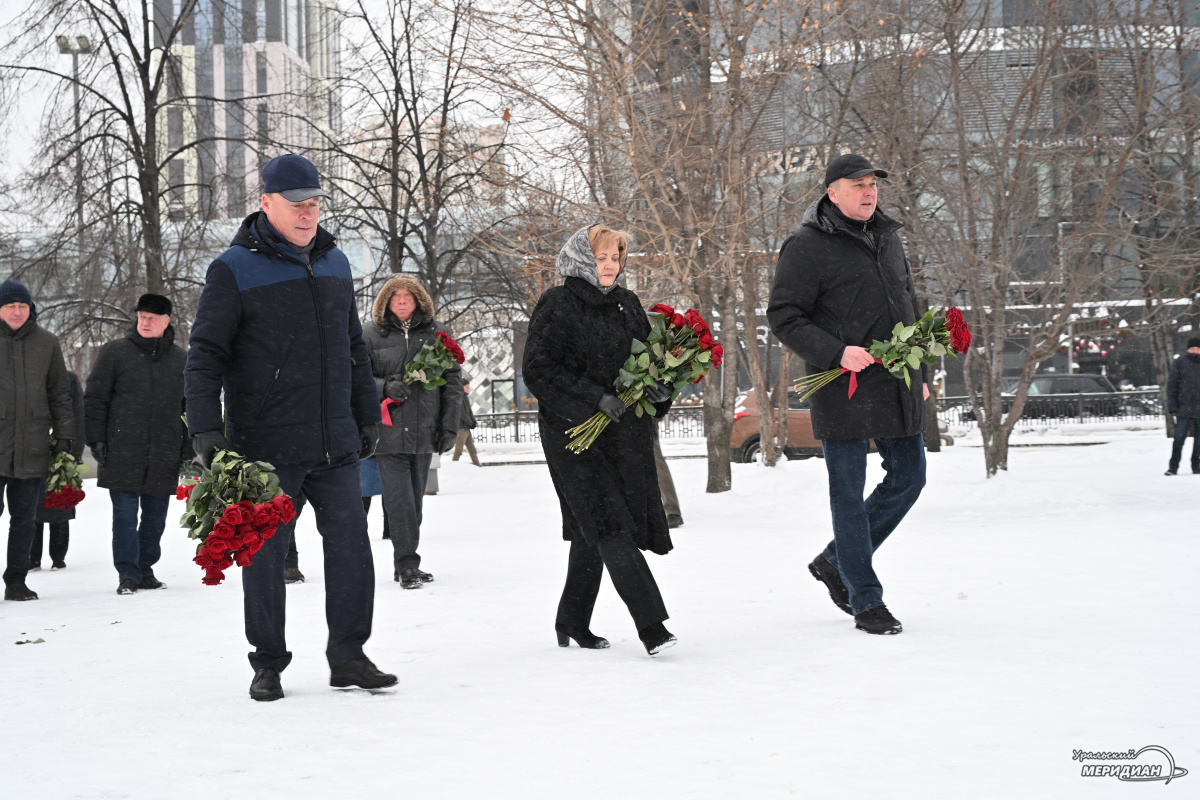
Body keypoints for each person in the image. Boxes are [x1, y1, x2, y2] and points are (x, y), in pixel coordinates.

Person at [185, 153, 394, 701]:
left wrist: (366, 412)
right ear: (266, 204)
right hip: (267, 447)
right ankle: (268, 662)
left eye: (316, 203)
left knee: (351, 547)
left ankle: (349, 655)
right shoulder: (233, 268)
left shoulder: (334, 263)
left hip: (335, 442)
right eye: (297, 204)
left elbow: (352, 346)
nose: (308, 213)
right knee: (266, 557)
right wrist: (206, 428)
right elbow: (205, 354)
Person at [767, 154, 929, 636]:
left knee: (910, 477)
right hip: (843, 384)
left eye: (873, 184)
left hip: (897, 379)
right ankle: (866, 598)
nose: (869, 191)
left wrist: (923, 365)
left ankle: (836, 560)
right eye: (858, 184)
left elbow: (909, 304)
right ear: (832, 192)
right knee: (848, 496)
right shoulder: (805, 246)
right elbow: (785, 316)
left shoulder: (889, 238)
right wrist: (837, 352)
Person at [522, 224, 678, 656]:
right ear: (580, 259)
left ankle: (571, 619)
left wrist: (659, 390)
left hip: (623, 435)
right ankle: (652, 626)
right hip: (573, 434)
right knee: (610, 525)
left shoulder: (628, 304)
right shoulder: (557, 303)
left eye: (615, 257)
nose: (609, 266)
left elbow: (647, 362)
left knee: (592, 528)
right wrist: (594, 397)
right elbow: (538, 369)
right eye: (600, 257)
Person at [85, 294, 190, 595]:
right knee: (125, 517)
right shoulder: (114, 352)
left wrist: (187, 447)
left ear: (166, 322)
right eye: (142, 316)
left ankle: (146, 569)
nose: (145, 322)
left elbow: (188, 408)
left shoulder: (181, 360)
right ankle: (127, 574)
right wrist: (97, 439)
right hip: (122, 450)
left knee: (155, 519)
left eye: (152, 318)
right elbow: (95, 398)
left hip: (164, 452)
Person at [364, 275, 461, 590]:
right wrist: (383, 387)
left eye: (408, 296)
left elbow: (452, 384)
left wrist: (448, 426)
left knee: (415, 502)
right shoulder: (369, 335)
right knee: (399, 500)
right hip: (387, 433)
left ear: (419, 301)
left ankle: (405, 560)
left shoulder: (436, 335)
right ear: (386, 303)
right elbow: (355, 379)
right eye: (395, 296)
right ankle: (407, 565)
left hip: (424, 430)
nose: (402, 301)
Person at [1, 279, 75, 601]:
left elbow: (60, 393)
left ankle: (16, 580)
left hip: (32, 445)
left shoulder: (47, 342)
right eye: (10, 305)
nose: (17, 311)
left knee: (24, 520)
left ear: (31, 308)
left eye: (23, 305)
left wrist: (64, 436)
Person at [30, 371, 85, 571]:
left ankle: (58, 557)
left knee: (60, 501)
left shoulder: (68, 379)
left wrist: (75, 451)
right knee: (31, 506)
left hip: (63, 450)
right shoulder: (27, 376)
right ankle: (32, 558)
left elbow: (78, 415)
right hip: (31, 450)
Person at [1165, 337, 1200, 476]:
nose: (1195, 351)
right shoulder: (1180, 363)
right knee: (1179, 439)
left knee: (1199, 442)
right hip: (1183, 407)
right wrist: (1173, 405)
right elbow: (1172, 385)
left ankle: (1196, 466)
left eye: (1197, 348)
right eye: (1192, 348)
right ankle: (1173, 467)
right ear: (1187, 349)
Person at [452, 381, 481, 466]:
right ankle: (453, 466)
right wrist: (470, 422)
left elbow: (469, 412)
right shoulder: (459, 397)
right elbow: (462, 413)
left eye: (469, 386)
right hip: (461, 428)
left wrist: (473, 421)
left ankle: (478, 466)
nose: (468, 388)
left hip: (466, 428)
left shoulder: (465, 397)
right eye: (466, 386)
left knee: (472, 449)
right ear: (461, 387)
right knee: (459, 450)